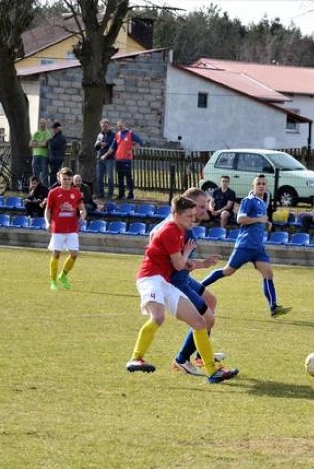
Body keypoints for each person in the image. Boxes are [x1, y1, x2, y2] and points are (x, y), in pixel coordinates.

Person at [126, 195, 239, 383]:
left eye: (193, 215)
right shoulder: (170, 231)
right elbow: (179, 265)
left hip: (165, 282)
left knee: (199, 322)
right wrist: (186, 254)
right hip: (150, 278)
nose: (192, 219)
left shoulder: (179, 230)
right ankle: (135, 359)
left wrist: (198, 262)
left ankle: (212, 372)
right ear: (176, 215)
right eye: (188, 216)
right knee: (158, 317)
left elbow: (181, 264)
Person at [200, 174, 291, 318]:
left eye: (263, 183)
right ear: (253, 186)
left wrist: (265, 224)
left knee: (268, 273)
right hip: (245, 245)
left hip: (258, 248)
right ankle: (198, 288)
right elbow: (240, 218)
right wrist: (259, 219)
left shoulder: (262, 202)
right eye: (258, 183)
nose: (261, 186)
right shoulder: (248, 201)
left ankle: (273, 307)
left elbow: (257, 221)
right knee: (228, 271)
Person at [44, 167, 87, 291]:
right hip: (58, 228)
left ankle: (63, 275)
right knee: (56, 253)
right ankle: (53, 280)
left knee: (74, 254)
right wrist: (47, 222)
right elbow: (47, 210)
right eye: (64, 179)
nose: (67, 181)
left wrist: (82, 214)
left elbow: (82, 209)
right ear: (59, 178)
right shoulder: (53, 192)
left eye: (69, 179)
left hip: (72, 228)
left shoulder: (76, 193)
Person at [102, 119, 144, 200]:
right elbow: (112, 147)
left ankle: (130, 194)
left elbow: (140, 142)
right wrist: (105, 155)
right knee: (120, 178)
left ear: (124, 125)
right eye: (118, 126)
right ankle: (121, 194)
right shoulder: (117, 134)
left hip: (127, 159)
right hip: (118, 159)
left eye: (121, 126)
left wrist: (133, 148)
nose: (119, 128)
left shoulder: (130, 133)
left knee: (128, 177)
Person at [94, 118, 114, 199]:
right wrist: (101, 144)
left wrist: (101, 143)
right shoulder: (100, 135)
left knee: (110, 177)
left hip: (109, 158)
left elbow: (109, 145)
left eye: (106, 126)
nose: (104, 128)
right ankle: (100, 194)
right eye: (103, 126)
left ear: (109, 126)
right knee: (99, 177)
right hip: (100, 158)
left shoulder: (113, 135)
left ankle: (110, 194)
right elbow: (96, 147)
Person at [29, 118, 51, 185]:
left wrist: (36, 143)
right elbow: (30, 144)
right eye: (41, 123)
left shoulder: (47, 133)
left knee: (44, 173)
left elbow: (45, 144)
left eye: (44, 123)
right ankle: (35, 187)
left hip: (44, 156)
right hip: (35, 155)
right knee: (35, 173)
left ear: (46, 125)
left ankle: (45, 188)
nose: (43, 125)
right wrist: (40, 143)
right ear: (39, 124)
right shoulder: (36, 133)